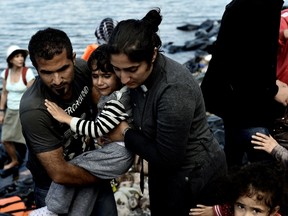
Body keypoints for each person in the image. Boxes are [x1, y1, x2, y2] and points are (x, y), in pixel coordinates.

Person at [106, 8, 227, 216]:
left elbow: (169, 158)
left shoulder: (174, 90)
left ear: (153, 55)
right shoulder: (134, 74)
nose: (124, 78)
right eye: (117, 69)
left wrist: (125, 133)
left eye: (132, 69)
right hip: (163, 172)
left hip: (196, 176)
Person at [19, 27, 117, 215]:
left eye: (63, 68)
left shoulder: (82, 69)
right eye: (47, 73)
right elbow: (60, 173)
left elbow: (103, 92)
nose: (57, 80)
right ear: (35, 68)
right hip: (55, 188)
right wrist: (106, 174)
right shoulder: (34, 109)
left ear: (73, 58)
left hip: (91, 168)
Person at [200, 0, 288, 169]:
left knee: (234, 159)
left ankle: (229, 186)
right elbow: (254, 60)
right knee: (263, 171)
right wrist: (273, 89)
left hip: (231, 97)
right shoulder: (262, 6)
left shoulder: (246, 5)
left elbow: (245, 55)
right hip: (247, 105)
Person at [189, 161, 284, 216]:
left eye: (256, 211)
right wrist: (214, 211)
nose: (246, 215)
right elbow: (226, 209)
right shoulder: (230, 209)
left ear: (273, 212)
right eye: (241, 207)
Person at [0, 45, 35, 179]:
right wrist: (1, 112)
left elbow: (32, 95)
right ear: (10, 59)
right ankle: (14, 160)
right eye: (17, 56)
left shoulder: (28, 73)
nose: (20, 59)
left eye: (22, 56)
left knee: (28, 141)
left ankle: (29, 166)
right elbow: (4, 93)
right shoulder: (6, 73)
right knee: (6, 139)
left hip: (24, 111)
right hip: (10, 111)